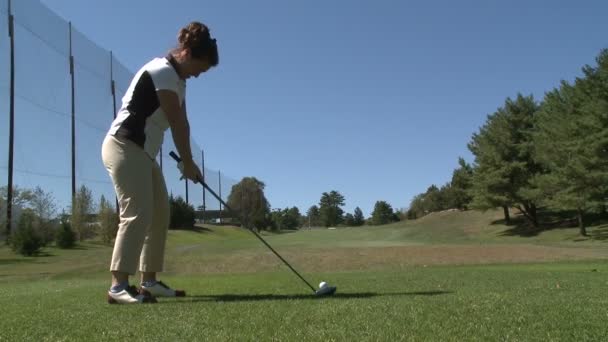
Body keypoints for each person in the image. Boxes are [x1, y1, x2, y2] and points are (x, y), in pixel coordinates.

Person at [101, 21, 218, 304]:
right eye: (201, 67)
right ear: (189, 54)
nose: (200, 75)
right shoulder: (162, 71)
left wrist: (187, 162)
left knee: (160, 213)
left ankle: (149, 282)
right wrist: (187, 161)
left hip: (142, 152)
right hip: (123, 145)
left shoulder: (179, 81)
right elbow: (176, 123)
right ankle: (118, 286)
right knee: (137, 212)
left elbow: (184, 122)